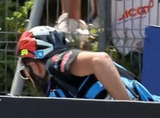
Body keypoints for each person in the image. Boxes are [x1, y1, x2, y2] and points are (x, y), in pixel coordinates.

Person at [17, 25, 156, 100]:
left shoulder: (55, 63)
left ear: (34, 67)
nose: (28, 79)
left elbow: (100, 60)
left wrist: (128, 109)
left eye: (25, 73)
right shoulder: (60, 83)